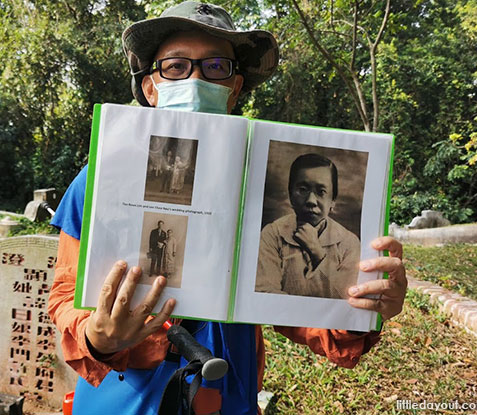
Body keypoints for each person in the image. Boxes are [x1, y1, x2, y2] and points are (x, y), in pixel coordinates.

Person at [47, 2, 407, 414]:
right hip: (123, 401)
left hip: (227, 399)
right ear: (151, 88)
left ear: (234, 87)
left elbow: (306, 314)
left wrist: (361, 305)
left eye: (215, 67)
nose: (196, 78)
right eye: (177, 67)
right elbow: (64, 292)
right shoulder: (100, 177)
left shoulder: (252, 184)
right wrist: (97, 336)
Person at [255, 153, 360, 299]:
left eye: (321, 192)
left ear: (333, 200)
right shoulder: (272, 234)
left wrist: (316, 251)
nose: (311, 200)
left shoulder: (349, 242)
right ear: (291, 195)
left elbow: (351, 298)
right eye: (303, 190)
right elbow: (264, 292)